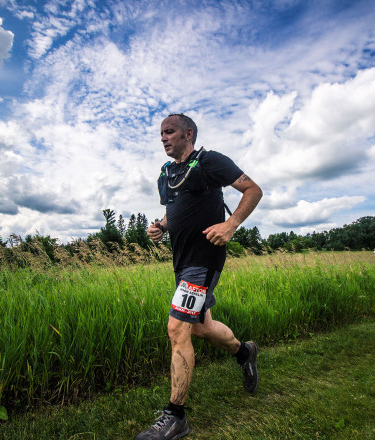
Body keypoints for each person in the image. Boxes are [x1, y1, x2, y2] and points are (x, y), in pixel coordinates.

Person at [136, 114, 263, 440]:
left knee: (176, 327)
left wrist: (230, 224)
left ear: (188, 133)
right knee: (203, 327)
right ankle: (244, 352)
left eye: (170, 131)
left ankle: (175, 417)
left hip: (203, 262)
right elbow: (174, 207)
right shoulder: (167, 174)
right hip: (182, 264)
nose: (163, 138)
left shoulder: (209, 162)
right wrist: (161, 227)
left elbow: (252, 189)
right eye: (161, 133)